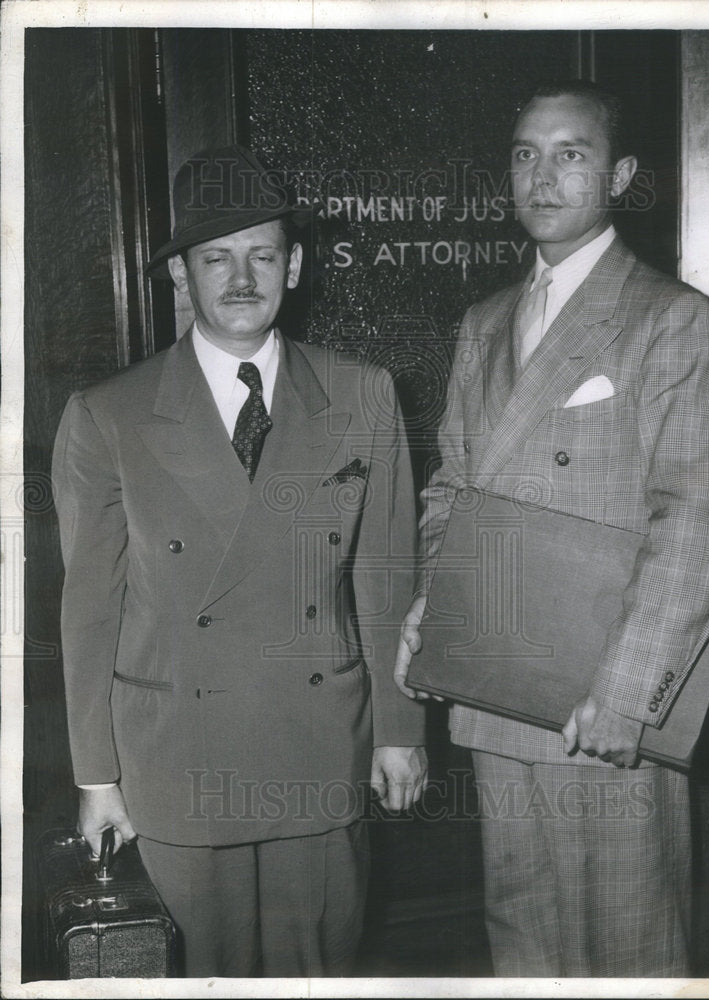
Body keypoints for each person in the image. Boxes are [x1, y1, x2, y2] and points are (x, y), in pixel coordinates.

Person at [394, 80, 709, 977]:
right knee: (525, 941)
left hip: (603, 702)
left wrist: (628, 694)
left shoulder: (672, 321)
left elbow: (700, 524)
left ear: (620, 175)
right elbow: (451, 491)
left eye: (571, 154)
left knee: (624, 945)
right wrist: (437, 616)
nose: (542, 177)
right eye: (524, 155)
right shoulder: (482, 326)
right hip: (498, 686)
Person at [52, 145, 426, 978]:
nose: (241, 277)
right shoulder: (108, 415)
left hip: (318, 744)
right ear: (181, 275)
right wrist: (96, 776)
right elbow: (88, 610)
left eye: (261, 254)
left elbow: (386, 573)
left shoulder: (362, 392)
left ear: (293, 266)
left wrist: (399, 732)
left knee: (316, 973)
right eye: (215, 257)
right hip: (179, 758)